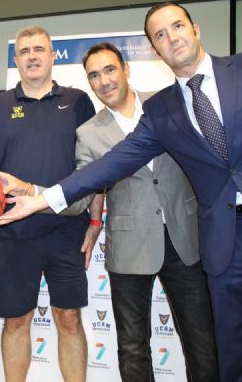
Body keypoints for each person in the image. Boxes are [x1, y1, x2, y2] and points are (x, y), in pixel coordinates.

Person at [0, 3, 242, 382]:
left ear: (195, 29)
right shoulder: (163, 110)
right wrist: (41, 197)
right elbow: (110, 164)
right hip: (226, 248)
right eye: (160, 35)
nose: (171, 38)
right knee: (236, 364)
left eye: (177, 26)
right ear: (154, 49)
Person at [77, 42, 218, 381]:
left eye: (109, 70)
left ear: (126, 69)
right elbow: (84, 187)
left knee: (202, 343)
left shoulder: (167, 104)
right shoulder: (87, 132)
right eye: (94, 75)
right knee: (133, 348)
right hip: (130, 247)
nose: (104, 81)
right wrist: (35, 194)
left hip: (185, 240)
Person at [0, 26, 95, 382]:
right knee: (16, 320)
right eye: (25, 51)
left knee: (69, 319)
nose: (32, 56)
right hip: (15, 231)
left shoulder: (78, 101)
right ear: (15, 59)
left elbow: (93, 168)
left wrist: (94, 223)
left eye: (39, 49)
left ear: (52, 55)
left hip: (67, 230)